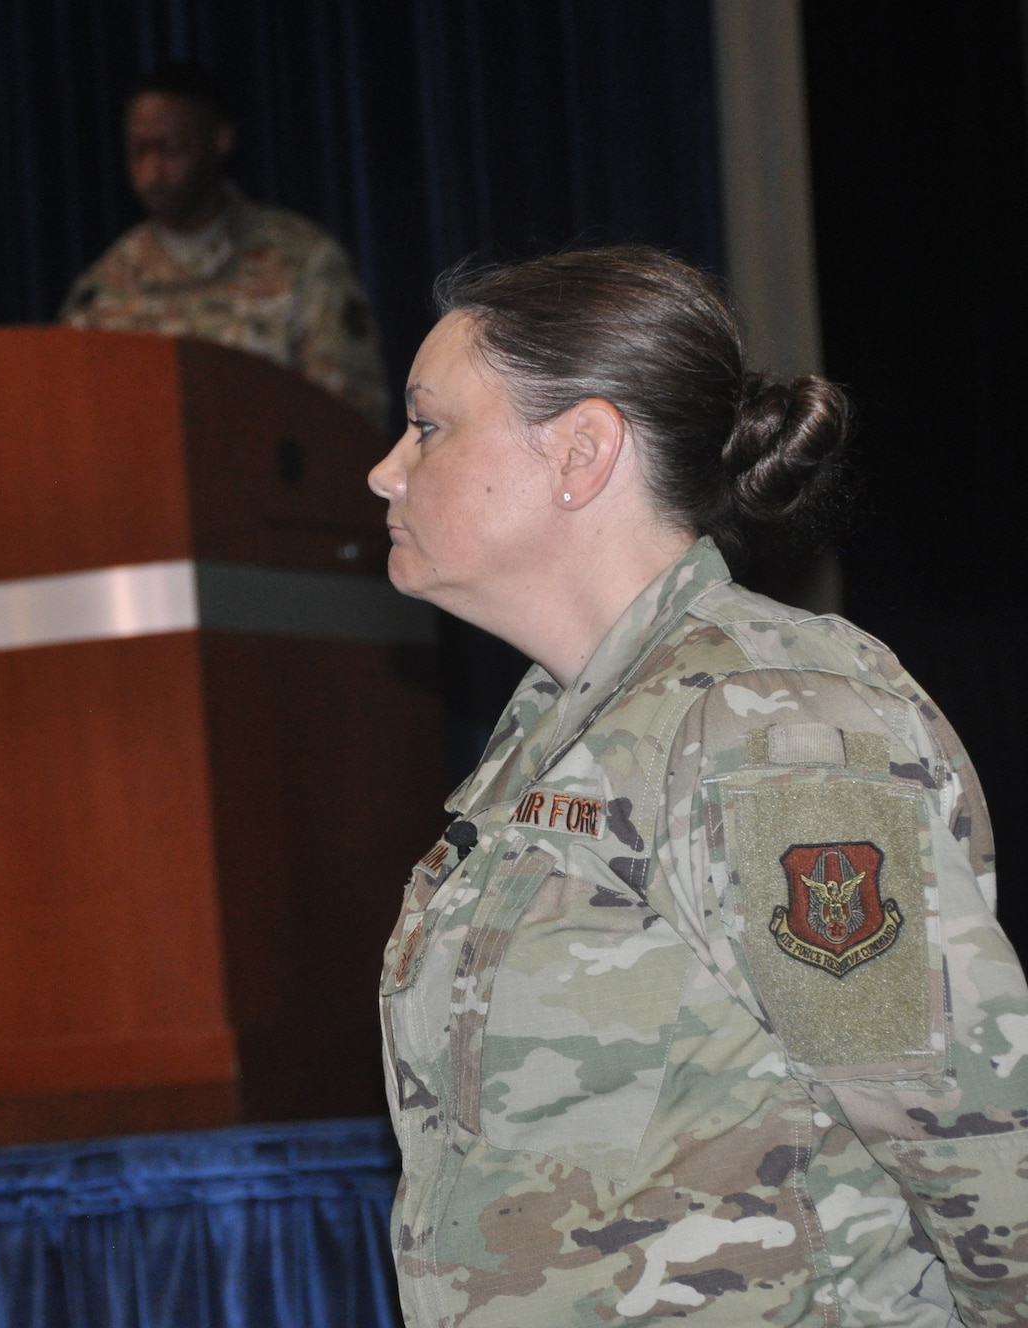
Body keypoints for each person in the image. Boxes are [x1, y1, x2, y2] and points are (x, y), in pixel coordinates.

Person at [369, 246, 1028, 1326]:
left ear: (580, 452)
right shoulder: (553, 730)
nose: (385, 469)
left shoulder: (764, 720)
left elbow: (974, 1143)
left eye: (428, 426)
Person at [60, 62, 389, 426]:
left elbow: (353, 418)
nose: (151, 174)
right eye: (138, 151)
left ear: (219, 140)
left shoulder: (303, 262)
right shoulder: (102, 288)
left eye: (171, 150)